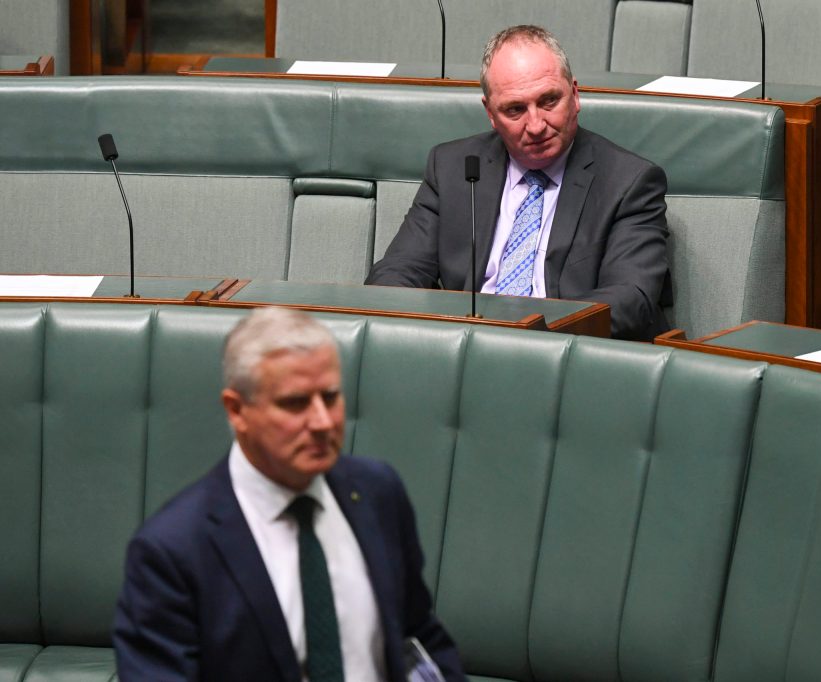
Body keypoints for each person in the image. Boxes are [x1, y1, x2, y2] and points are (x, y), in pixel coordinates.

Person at [113, 307, 466, 682]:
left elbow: (417, 631)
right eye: (295, 403)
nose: (322, 422)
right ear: (237, 410)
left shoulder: (378, 493)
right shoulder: (173, 551)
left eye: (330, 397)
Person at [365, 25, 670, 341]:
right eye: (515, 109)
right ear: (490, 114)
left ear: (575, 95)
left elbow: (630, 299)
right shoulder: (453, 167)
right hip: (463, 351)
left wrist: (526, 339)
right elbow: (397, 274)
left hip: (569, 356)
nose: (536, 125)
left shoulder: (629, 181)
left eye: (549, 101)